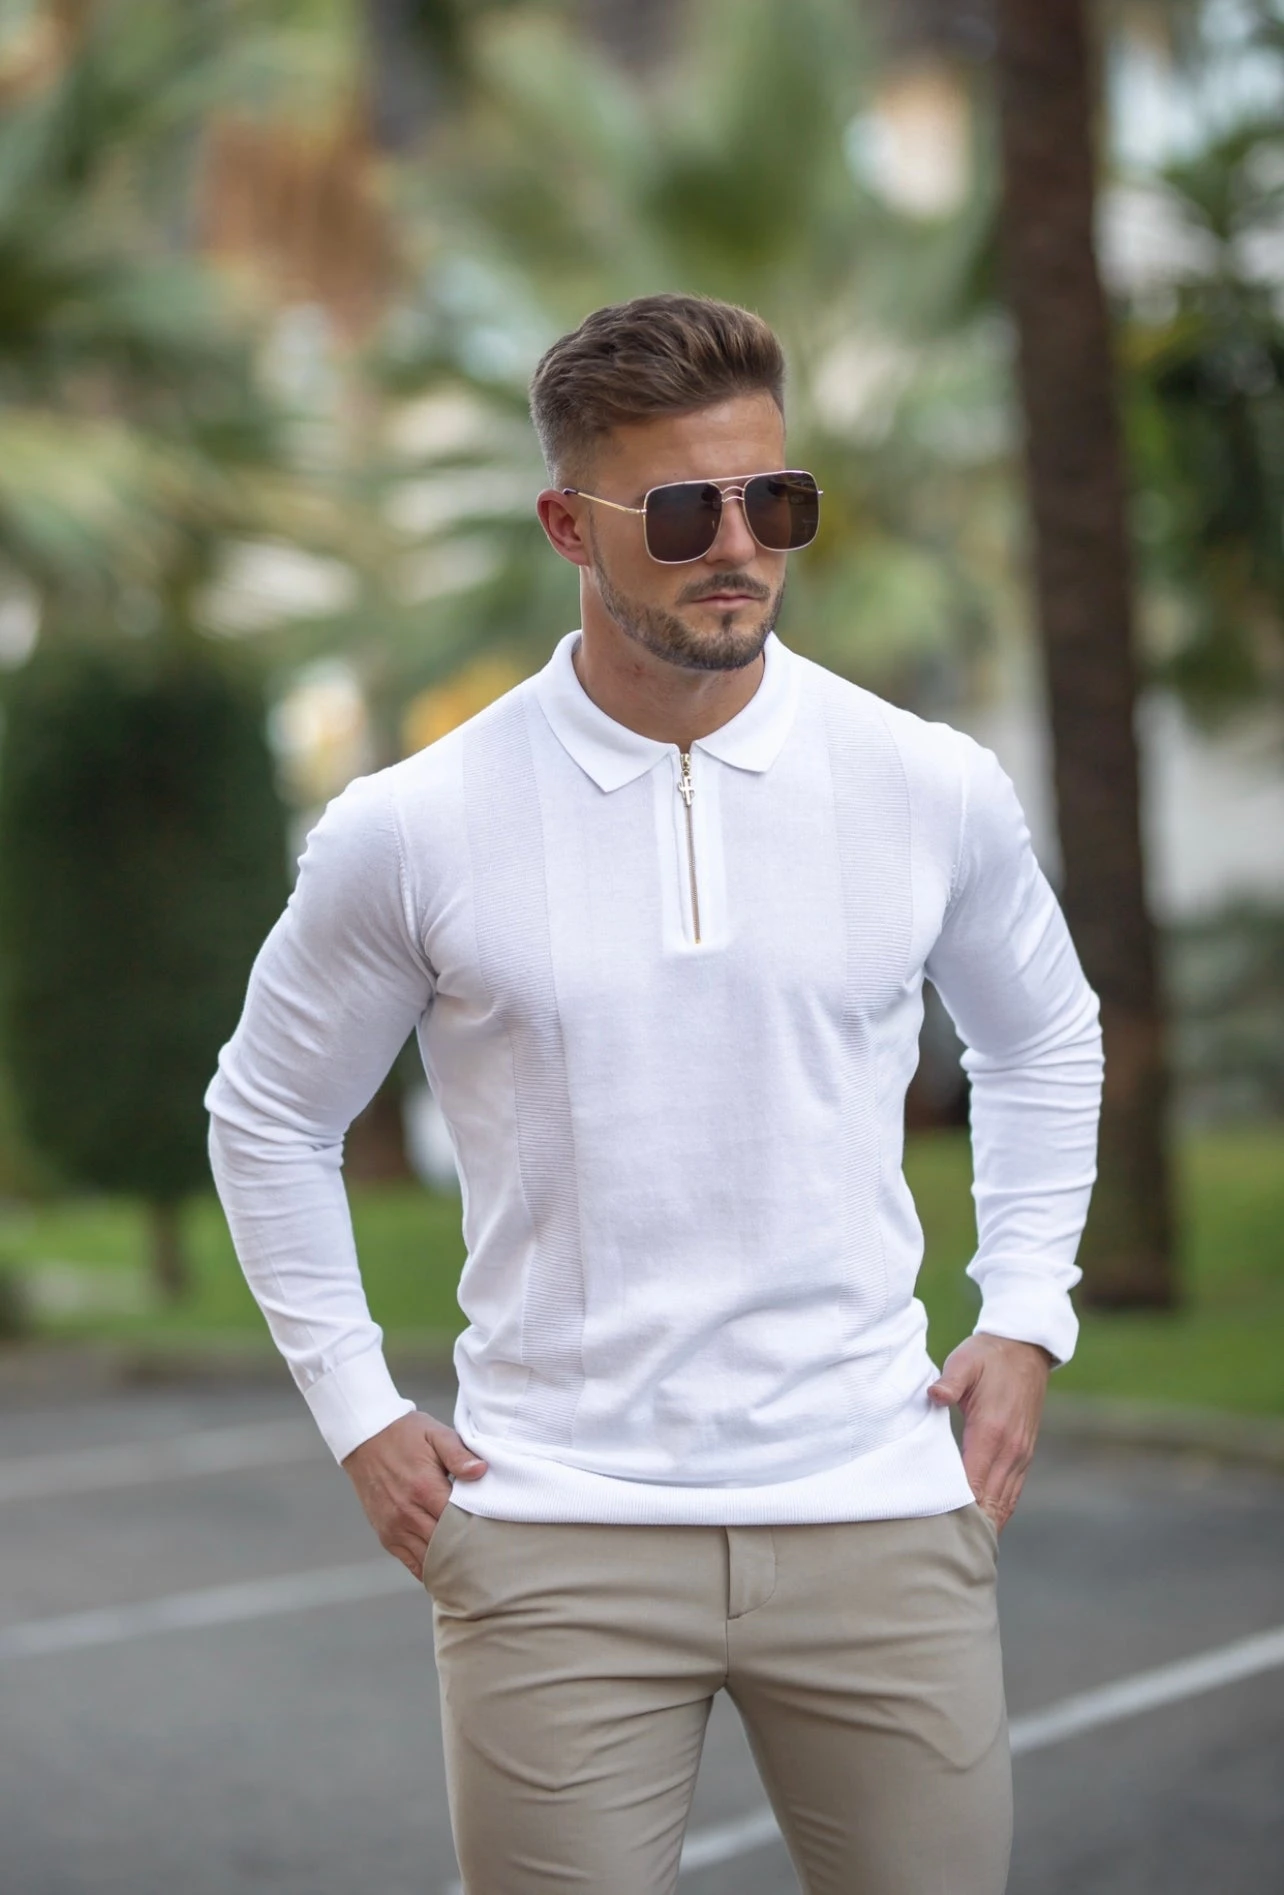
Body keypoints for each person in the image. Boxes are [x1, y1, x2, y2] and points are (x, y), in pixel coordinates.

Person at [206, 293, 1103, 1895]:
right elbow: (267, 1113)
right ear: (571, 525)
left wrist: (1028, 1313)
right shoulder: (414, 826)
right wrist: (358, 1412)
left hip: (878, 1508)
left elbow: (1043, 1037)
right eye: (684, 511)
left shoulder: (927, 784)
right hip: (555, 1534)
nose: (739, 547)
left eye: (777, 501)